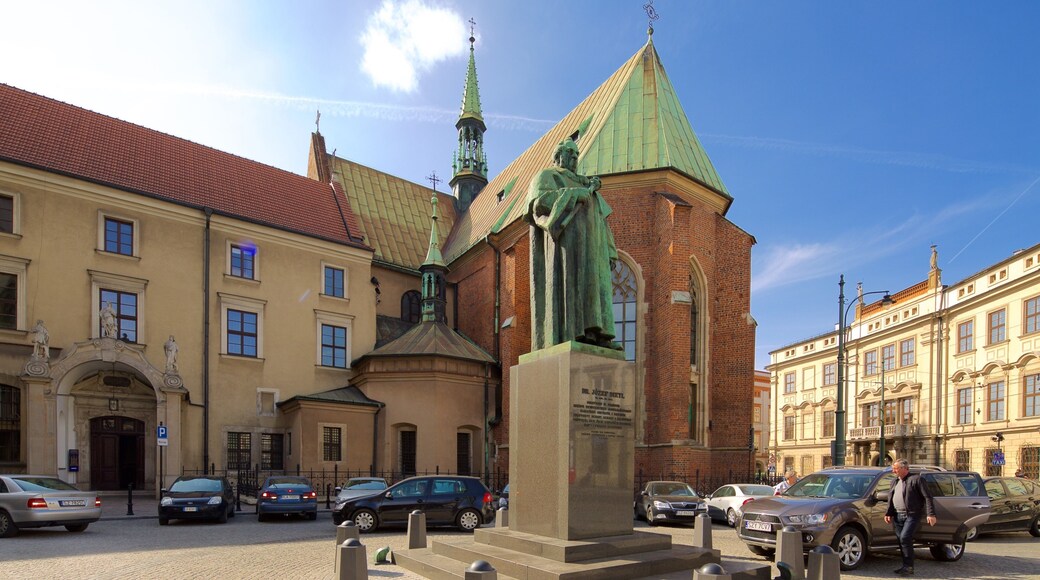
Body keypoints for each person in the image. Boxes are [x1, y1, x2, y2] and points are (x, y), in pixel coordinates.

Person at [525, 137, 620, 351]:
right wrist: (575, 194)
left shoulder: (587, 184)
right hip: (568, 246)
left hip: (593, 249)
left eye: (577, 154)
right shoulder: (547, 176)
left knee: (594, 289)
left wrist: (610, 250)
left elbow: (602, 220)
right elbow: (540, 206)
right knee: (572, 287)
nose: (575, 158)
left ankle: (597, 334)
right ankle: (574, 333)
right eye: (570, 153)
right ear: (559, 156)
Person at [885, 458, 936, 576]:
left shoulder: (917, 479)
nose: (893, 471)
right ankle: (906, 565)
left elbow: (927, 497)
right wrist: (889, 513)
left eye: (895, 468)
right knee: (901, 540)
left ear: (904, 468)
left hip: (912, 515)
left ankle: (909, 566)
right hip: (897, 515)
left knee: (905, 538)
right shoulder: (894, 481)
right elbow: (891, 498)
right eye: (893, 468)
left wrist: (931, 514)